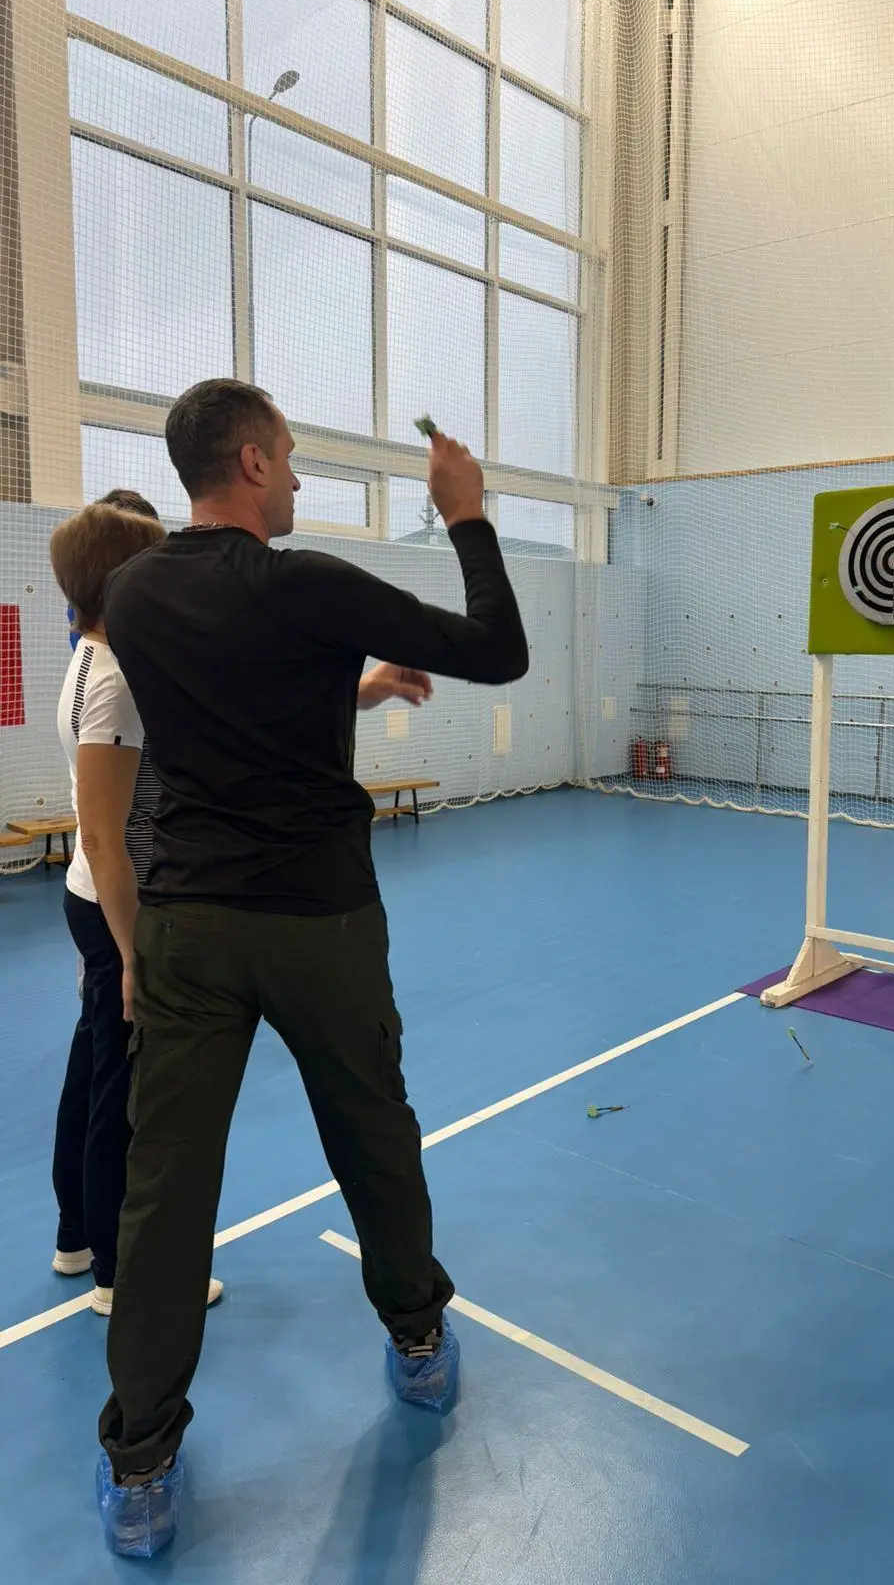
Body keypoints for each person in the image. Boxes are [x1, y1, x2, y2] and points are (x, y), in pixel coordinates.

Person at [95, 379, 529, 1558]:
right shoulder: (308, 586)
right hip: (318, 922)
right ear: (247, 462)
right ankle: (419, 1340)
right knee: (373, 1135)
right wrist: (465, 512)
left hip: (187, 923)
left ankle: (141, 1464)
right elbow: (498, 650)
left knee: (164, 1188)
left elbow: (243, 694)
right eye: (286, 457)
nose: (294, 477)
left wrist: (355, 682)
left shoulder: (132, 594)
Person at [49, 494, 225, 1320]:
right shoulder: (116, 682)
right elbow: (104, 832)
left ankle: (76, 1235)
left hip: (93, 896)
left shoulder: (95, 656)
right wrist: (131, 955)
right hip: (119, 906)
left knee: (92, 1068)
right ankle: (120, 1273)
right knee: (123, 1095)